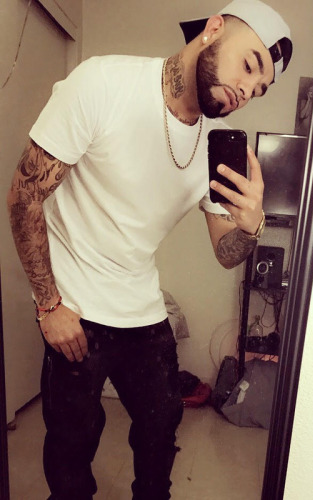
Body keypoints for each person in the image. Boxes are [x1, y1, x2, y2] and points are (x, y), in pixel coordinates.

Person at [6, 0, 292, 498]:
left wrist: (251, 226)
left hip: (142, 308)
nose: (247, 90)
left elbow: (225, 252)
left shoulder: (214, 143)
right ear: (214, 30)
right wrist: (48, 305)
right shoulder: (103, 83)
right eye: (249, 65)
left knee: (160, 433)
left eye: (260, 88)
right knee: (72, 447)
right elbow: (24, 194)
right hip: (74, 306)